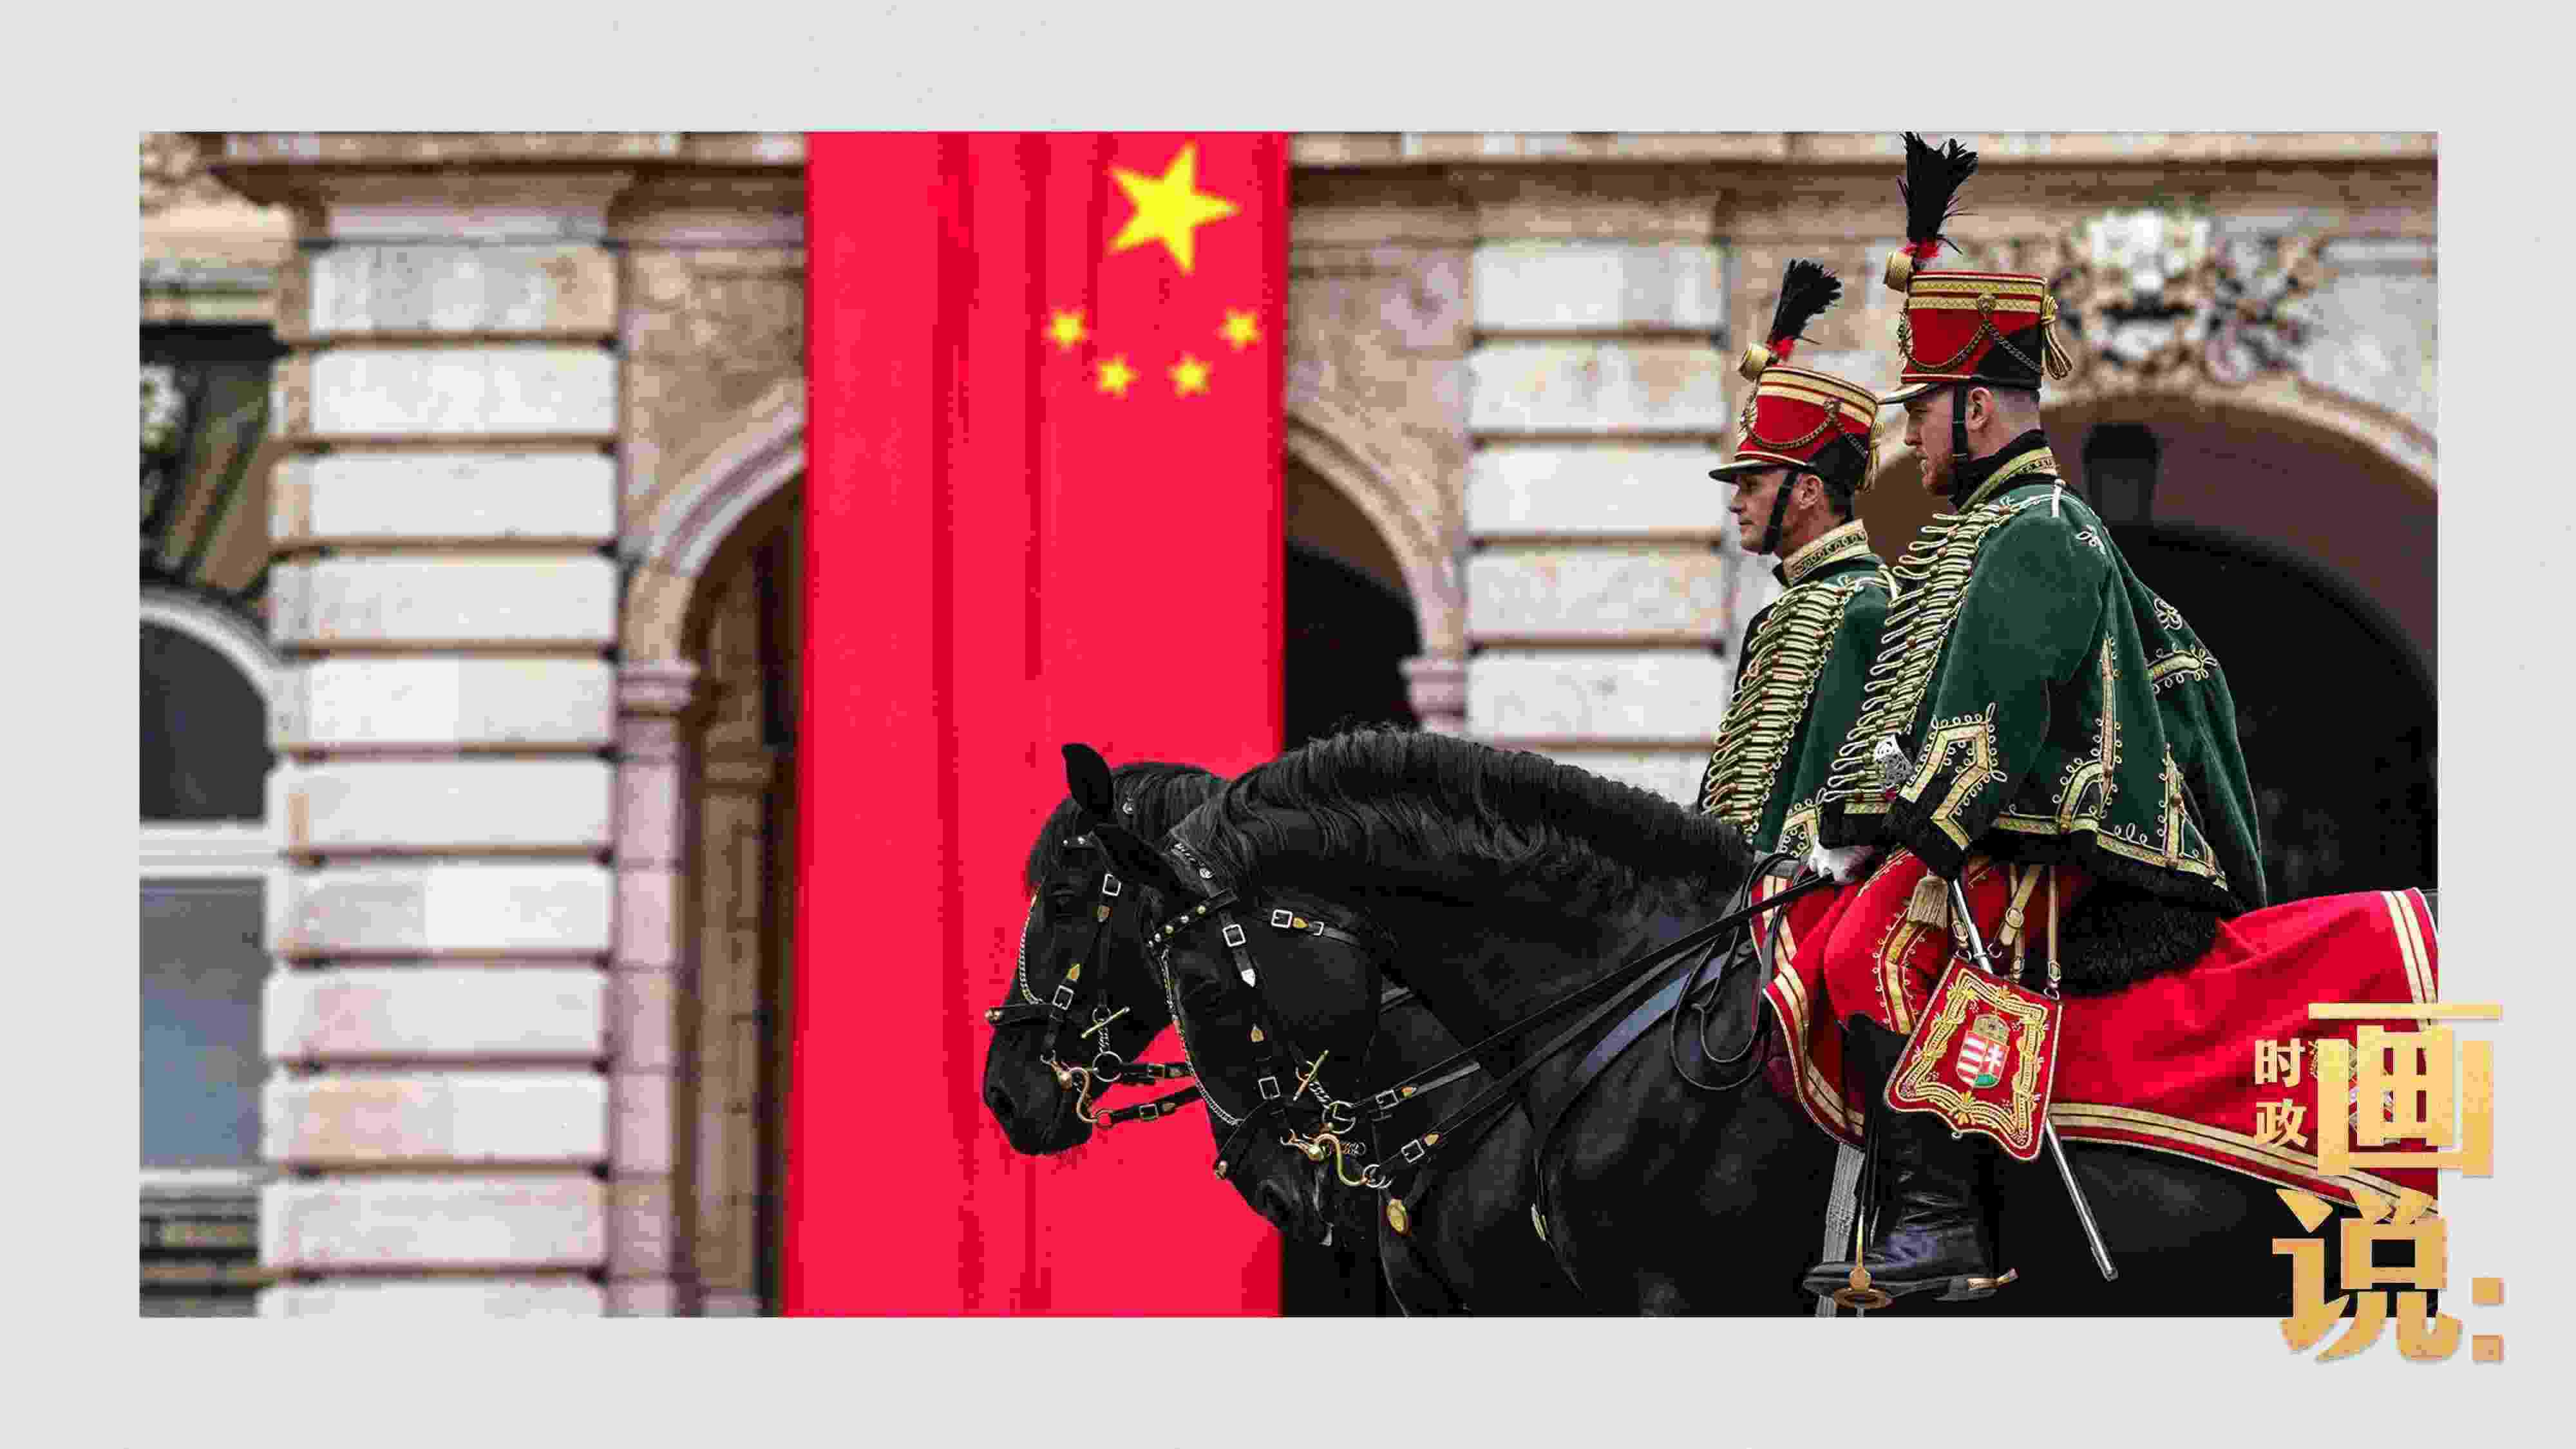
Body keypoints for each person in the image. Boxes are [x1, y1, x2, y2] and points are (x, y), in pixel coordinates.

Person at [1797, 133, 2267, 1305]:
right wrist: (1842, 823)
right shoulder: (1980, 531)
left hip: (2064, 836)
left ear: (1972, 408)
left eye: (1921, 411)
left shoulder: (2036, 532)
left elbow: (1991, 733)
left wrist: (1906, 830)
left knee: (1867, 954)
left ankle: (1941, 1220)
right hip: (2008, 826)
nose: (1907, 434)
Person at [1698, 260, 1893, 866]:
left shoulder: (1869, 605)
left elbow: (1873, 781)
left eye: (1752, 484)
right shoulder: (1791, 606)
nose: (1737, 502)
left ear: (1808, 491)